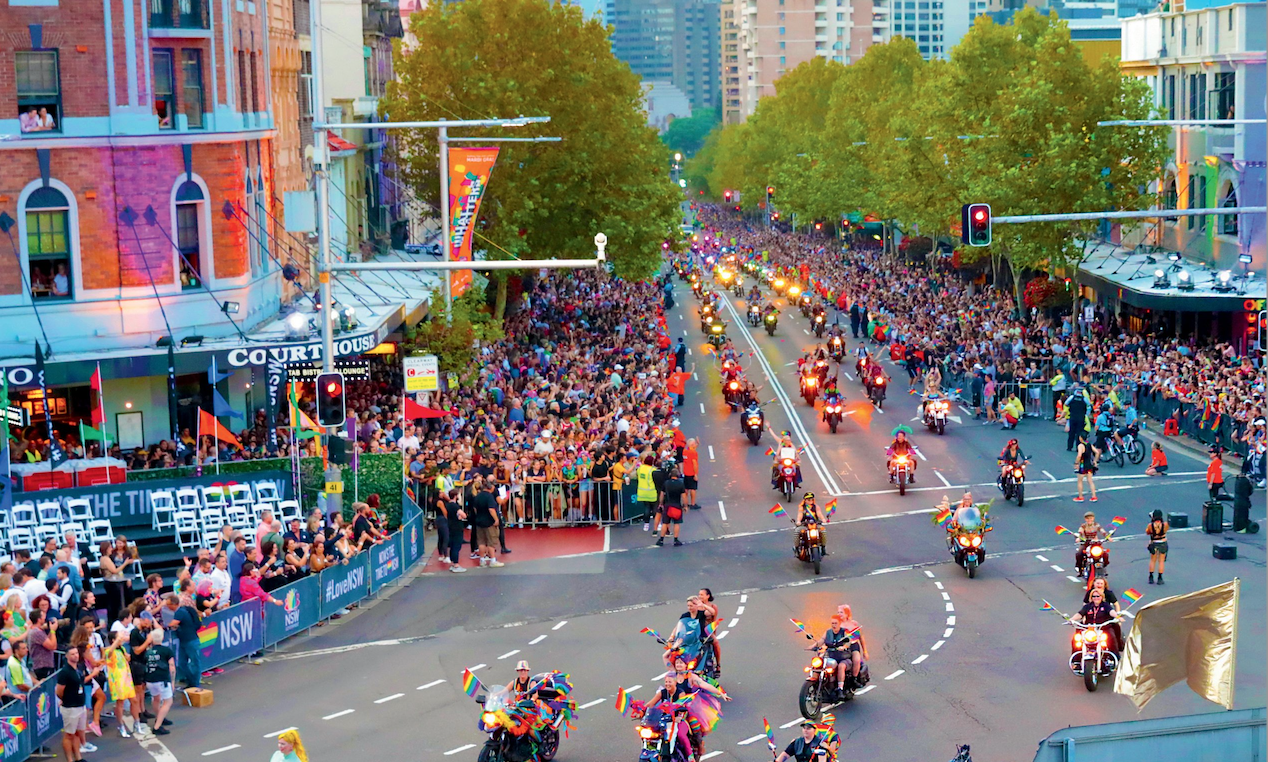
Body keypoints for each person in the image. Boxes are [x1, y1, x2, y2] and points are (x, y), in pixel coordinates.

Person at [57, 646, 98, 761]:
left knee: (77, 733)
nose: (75, 655)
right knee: (69, 734)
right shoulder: (65, 672)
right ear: (67, 656)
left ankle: (78, 758)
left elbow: (81, 681)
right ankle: (69, 759)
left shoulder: (78, 668)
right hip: (71, 707)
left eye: (76, 653)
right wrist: (65, 699)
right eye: (72, 654)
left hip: (80, 705)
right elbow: (59, 690)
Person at [164, 593, 201, 690]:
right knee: (182, 663)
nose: (168, 607)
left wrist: (163, 626)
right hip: (185, 641)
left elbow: (172, 624)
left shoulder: (180, 612)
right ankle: (191, 681)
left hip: (190, 641)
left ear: (173, 604)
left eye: (169, 605)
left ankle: (195, 684)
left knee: (194, 662)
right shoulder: (181, 611)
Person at [142, 628, 175, 736]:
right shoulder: (167, 651)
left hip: (150, 679)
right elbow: (172, 666)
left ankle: (159, 717)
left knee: (156, 699)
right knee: (168, 701)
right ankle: (157, 726)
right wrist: (173, 681)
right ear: (162, 638)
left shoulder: (148, 652)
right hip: (162, 679)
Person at [1069, 587, 1119, 655]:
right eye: (1094, 596)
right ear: (1091, 597)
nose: (1096, 598)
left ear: (1101, 597)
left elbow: (1111, 611)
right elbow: (1080, 614)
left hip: (1104, 628)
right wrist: (1072, 619)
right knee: (1076, 639)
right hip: (1089, 629)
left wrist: (1117, 616)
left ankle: (1115, 657)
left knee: (1111, 637)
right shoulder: (1088, 606)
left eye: (1098, 596)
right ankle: (1076, 659)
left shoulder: (1105, 605)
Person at [1082, 577, 1125, 653]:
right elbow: (1082, 610)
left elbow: (1114, 607)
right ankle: (1077, 658)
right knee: (1077, 636)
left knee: (1113, 634)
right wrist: (1079, 618)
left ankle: (1116, 652)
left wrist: (1117, 617)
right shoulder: (1089, 601)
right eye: (1097, 583)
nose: (1099, 585)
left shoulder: (1106, 603)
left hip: (1105, 621)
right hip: (1090, 623)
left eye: (1101, 583)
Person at [471, 482, 505, 568]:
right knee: (491, 542)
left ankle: (482, 560)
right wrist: (496, 519)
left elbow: (475, 509)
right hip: (489, 522)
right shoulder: (489, 496)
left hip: (479, 521)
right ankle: (493, 560)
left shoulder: (477, 496)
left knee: (481, 542)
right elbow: (491, 509)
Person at [834, 604, 867, 682]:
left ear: (847, 614)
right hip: (840, 645)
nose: (839, 614)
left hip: (853, 645)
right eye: (838, 612)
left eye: (841, 612)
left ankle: (854, 678)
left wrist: (865, 651)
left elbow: (861, 638)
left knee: (856, 659)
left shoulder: (854, 624)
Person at [657, 467, 686, 547]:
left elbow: (662, 494)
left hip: (667, 505)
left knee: (665, 523)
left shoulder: (666, 483)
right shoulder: (680, 484)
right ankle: (676, 540)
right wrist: (685, 506)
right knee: (677, 523)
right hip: (677, 505)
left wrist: (661, 503)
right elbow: (684, 496)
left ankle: (661, 539)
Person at [1074, 511, 1107, 575]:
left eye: (1091, 518)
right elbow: (1080, 532)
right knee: (1079, 553)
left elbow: (1102, 531)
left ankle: (1104, 567)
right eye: (1087, 518)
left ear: (1093, 518)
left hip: (1096, 543)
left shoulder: (1096, 525)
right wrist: (1078, 537)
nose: (1089, 520)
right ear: (1085, 519)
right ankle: (1079, 569)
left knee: (1105, 553)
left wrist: (1107, 537)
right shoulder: (1083, 526)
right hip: (1085, 543)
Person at [1074, 433, 1098, 503]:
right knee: (1090, 480)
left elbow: (1079, 455)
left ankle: (1080, 496)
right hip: (1089, 464)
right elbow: (1096, 452)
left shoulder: (1081, 446)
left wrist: (1076, 463)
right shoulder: (1089, 444)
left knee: (1080, 481)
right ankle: (1094, 496)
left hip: (1082, 465)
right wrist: (1095, 461)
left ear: (1081, 438)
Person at [1146, 509, 1168, 585]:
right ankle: (1160, 578)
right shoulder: (1165, 524)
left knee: (1153, 560)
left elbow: (1148, 532)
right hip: (1163, 542)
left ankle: (1151, 577)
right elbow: (1165, 531)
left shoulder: (1150, 525)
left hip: (1154, 543)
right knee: (1161, 561)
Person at [682, 439, 700, 510]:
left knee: (686, 488)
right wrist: (695, 474)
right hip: (691, 473)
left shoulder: (685, 451)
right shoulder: (693, 453)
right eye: (695, 444)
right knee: (693, 489)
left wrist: (697, 444)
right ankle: (692, 503)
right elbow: (694, 463)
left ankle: (685, 503)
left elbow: (691, 448)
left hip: (685, 472)